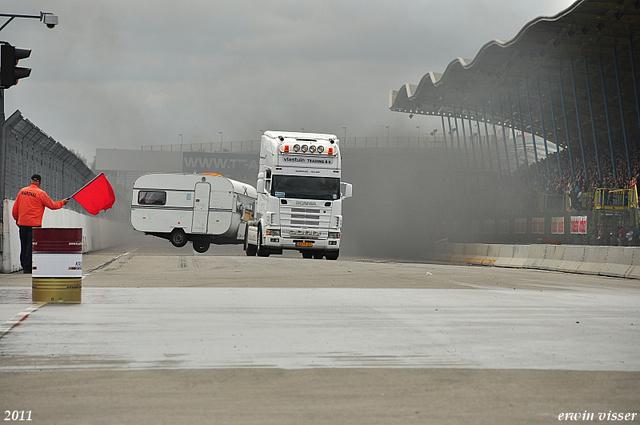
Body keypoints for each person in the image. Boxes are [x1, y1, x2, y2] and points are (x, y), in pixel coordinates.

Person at [12, 174, 69, 273]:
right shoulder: (41, 193)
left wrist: (17, 220)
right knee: (31, 247)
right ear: (40, 183)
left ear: (30, 181)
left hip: (22, 224)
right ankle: (28, 268)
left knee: (24, 245)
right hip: (34, 225)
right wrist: (62, 202)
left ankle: (24, 266)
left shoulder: (22, 191)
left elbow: (15, 209)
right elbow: (52, 205)